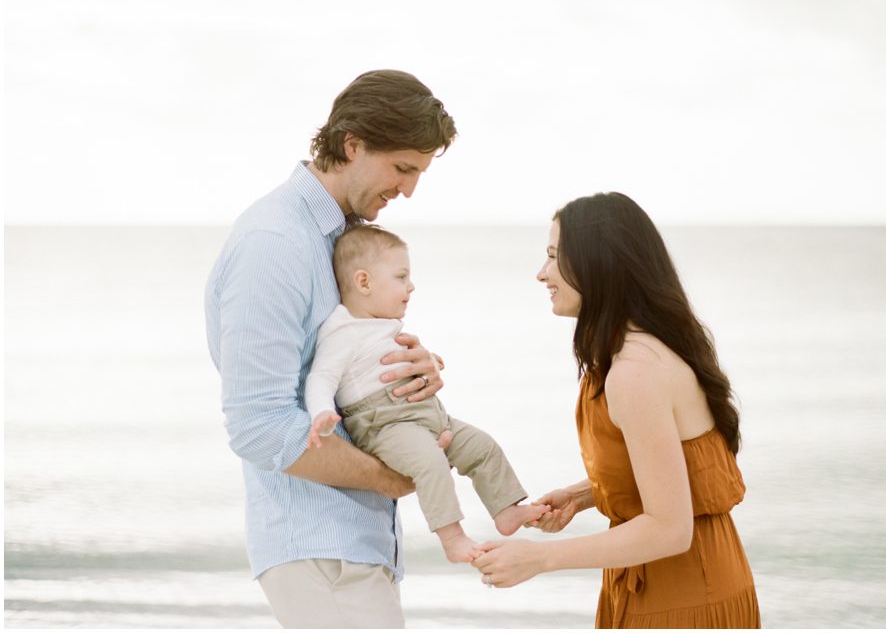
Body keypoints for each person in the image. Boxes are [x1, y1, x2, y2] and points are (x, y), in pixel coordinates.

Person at [204, 70, 457, 629]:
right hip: (320, 550)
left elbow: (337, 370)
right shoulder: (275, 243)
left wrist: (407, 372)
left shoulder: (336, 240)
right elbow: (258, 426)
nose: (409, 190)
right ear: (353, 145)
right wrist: (391, 477)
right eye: (403, 169)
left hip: (352, 545)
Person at [472, 192, 761, 629]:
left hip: (683, 596)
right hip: (676, 580)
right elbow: (673, 466)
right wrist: (583, 495)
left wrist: (540, 558)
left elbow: (669, 528)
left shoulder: (635, 370)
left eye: (553, 257)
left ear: (597, 264)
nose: (541, 273)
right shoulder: (641, 351)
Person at [305, 224, 547, 563]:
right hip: (384, 423)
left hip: (426, 414)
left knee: (482, 446)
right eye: (401, 277)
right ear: (364, 282)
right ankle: (453, 539)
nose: (411, 285)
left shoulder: (379, 323)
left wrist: (429, 360)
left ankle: (507, 509)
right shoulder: (342, 331)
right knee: (431, 462)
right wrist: (321, 415)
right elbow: (321, 377)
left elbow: (384, 362)